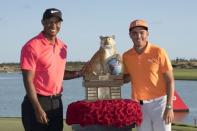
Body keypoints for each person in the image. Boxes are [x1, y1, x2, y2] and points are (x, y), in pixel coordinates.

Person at [20, 8, 82, 131]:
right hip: (37, 103)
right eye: (49, 21)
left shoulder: (62, 46)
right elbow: (28, 81)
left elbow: (57, 73)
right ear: (43, 22)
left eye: (57, 22)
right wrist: (37, 108)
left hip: (57, 103)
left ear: (60, 24)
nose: (53, 25)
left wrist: (80, 73)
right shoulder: (31, 46)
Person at [123, 19, 174, 131]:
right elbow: (127, 77)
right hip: (139, 106)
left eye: (141, 32)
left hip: (160, 104)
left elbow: (170, 81)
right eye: (134, 33)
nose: (138, 36)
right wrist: (110, 76)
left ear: (147, 34)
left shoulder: (159, 51)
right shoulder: (126, 56)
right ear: (130, 35)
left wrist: (169, 107)